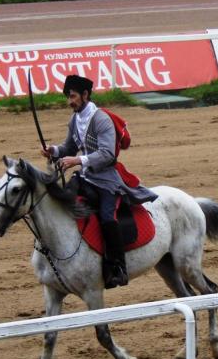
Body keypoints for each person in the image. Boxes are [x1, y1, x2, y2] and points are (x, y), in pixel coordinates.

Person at [41, 74, 157, 289]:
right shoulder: (74, 120)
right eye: (68, 97)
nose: (70, 102)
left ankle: (118, 268)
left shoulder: (102, 119)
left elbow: (107, 154)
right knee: (62, 203)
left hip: (107, 180)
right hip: (85, 177)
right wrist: (54, 151)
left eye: (73, 96)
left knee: (106, 218)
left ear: (85, 95)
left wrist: (77, 160)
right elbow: (68, 148)